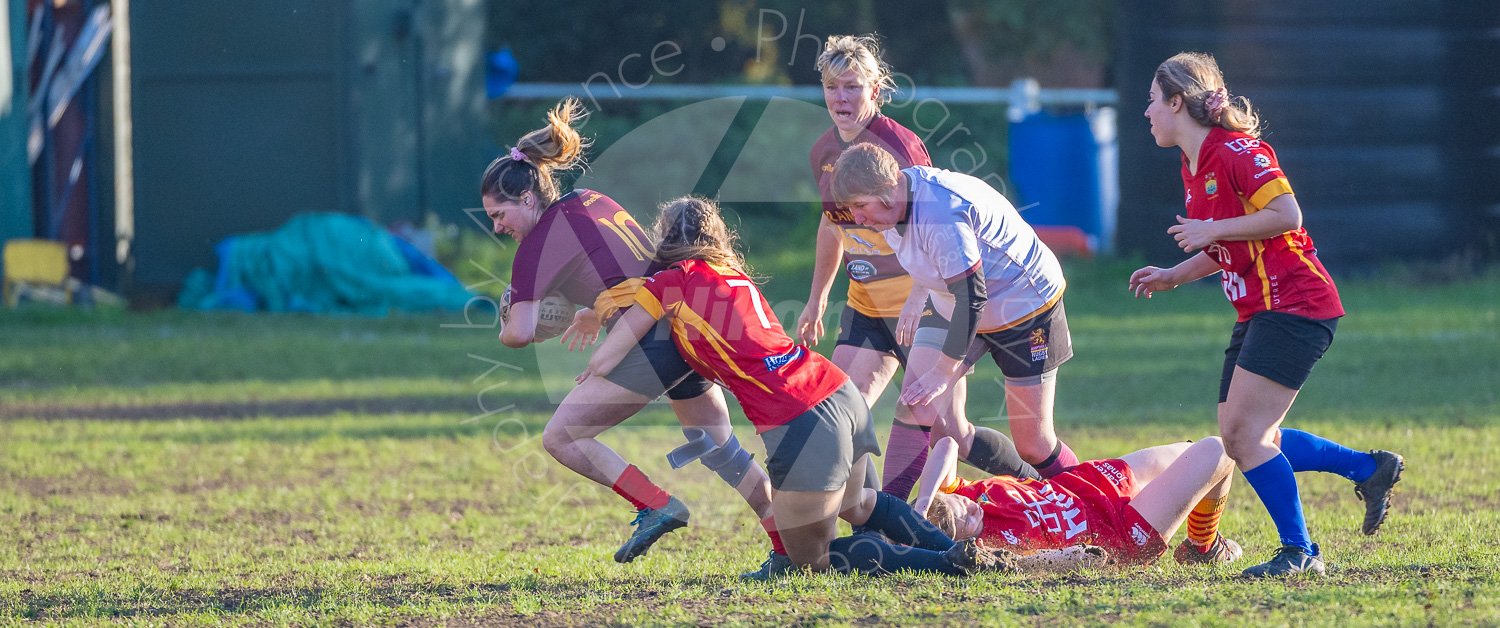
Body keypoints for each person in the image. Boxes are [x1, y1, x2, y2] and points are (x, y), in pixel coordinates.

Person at [579, 196, 1002, 579]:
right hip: (838, 391)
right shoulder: (734, 273)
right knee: (858, 504)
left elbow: (607, 357)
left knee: (809, 560)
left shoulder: (669, 282)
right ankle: (956, 552)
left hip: (799, 417)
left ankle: (945, 563)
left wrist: (584, 338)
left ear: (664, 241)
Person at [1130, 51, 1405, 577]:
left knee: (1243, 437)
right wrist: (1174, 275)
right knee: (1249, 437)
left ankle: (1300, 553)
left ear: (1177, 101)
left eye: (1151, 101)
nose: (1146, 113)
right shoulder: (1193, 165)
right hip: (1259, 309)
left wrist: (1211, 231)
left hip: (1297, 302)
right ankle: (1369, 469)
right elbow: (1226, 244)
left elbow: (1285, 215)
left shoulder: (1238, 151)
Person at [482, 98, 779, 565]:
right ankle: (789, 544)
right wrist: (592, 311)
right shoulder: (591, 200)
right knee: (720, 449)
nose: (499, 228)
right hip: (683, 331)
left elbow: (518, 335)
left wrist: (515, 321)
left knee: (561, 437)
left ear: (526, 199)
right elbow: (622, 267)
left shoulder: (535, 248)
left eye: (500, 216)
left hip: (648, 340)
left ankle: (655, 503)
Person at [798, 35, 1036, 500]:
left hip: (923, 308)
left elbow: (930, 224)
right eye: (832, 87)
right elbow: (832, 228)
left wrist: (917, 296)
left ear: (875, 90)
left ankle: (1038, 488)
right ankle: (871, 520)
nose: (841, 98)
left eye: (852, 86)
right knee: (840, 410)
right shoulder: (822, 153)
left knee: (954, 434)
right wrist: (817, 297)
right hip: (866, 302)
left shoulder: (900, 147)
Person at [829, 142, 1082, 489]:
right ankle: (889, 526)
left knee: (1034, 443)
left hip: (1025, 304)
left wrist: (944, 371)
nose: (857, 218)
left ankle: (1097, 505)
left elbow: (972, 295)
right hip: (958, 300)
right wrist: (919, 292)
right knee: (916, 404)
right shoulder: (893, 203)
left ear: (887, 188)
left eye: (860, 206)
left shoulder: (939, 212)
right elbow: (935, 261)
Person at [917, 434, 1245, 566]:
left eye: (964, 505)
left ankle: (1270, 441)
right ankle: (1204, 548)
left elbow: (947, 445)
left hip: (1095, 483)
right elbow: (1081, 558)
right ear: (965, 544)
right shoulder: (993, 549)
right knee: (1219, 449)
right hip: (1123, 530)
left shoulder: (964, 497)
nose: (974, 509)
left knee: (1214, 443)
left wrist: (920, 509)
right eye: (969, 522)